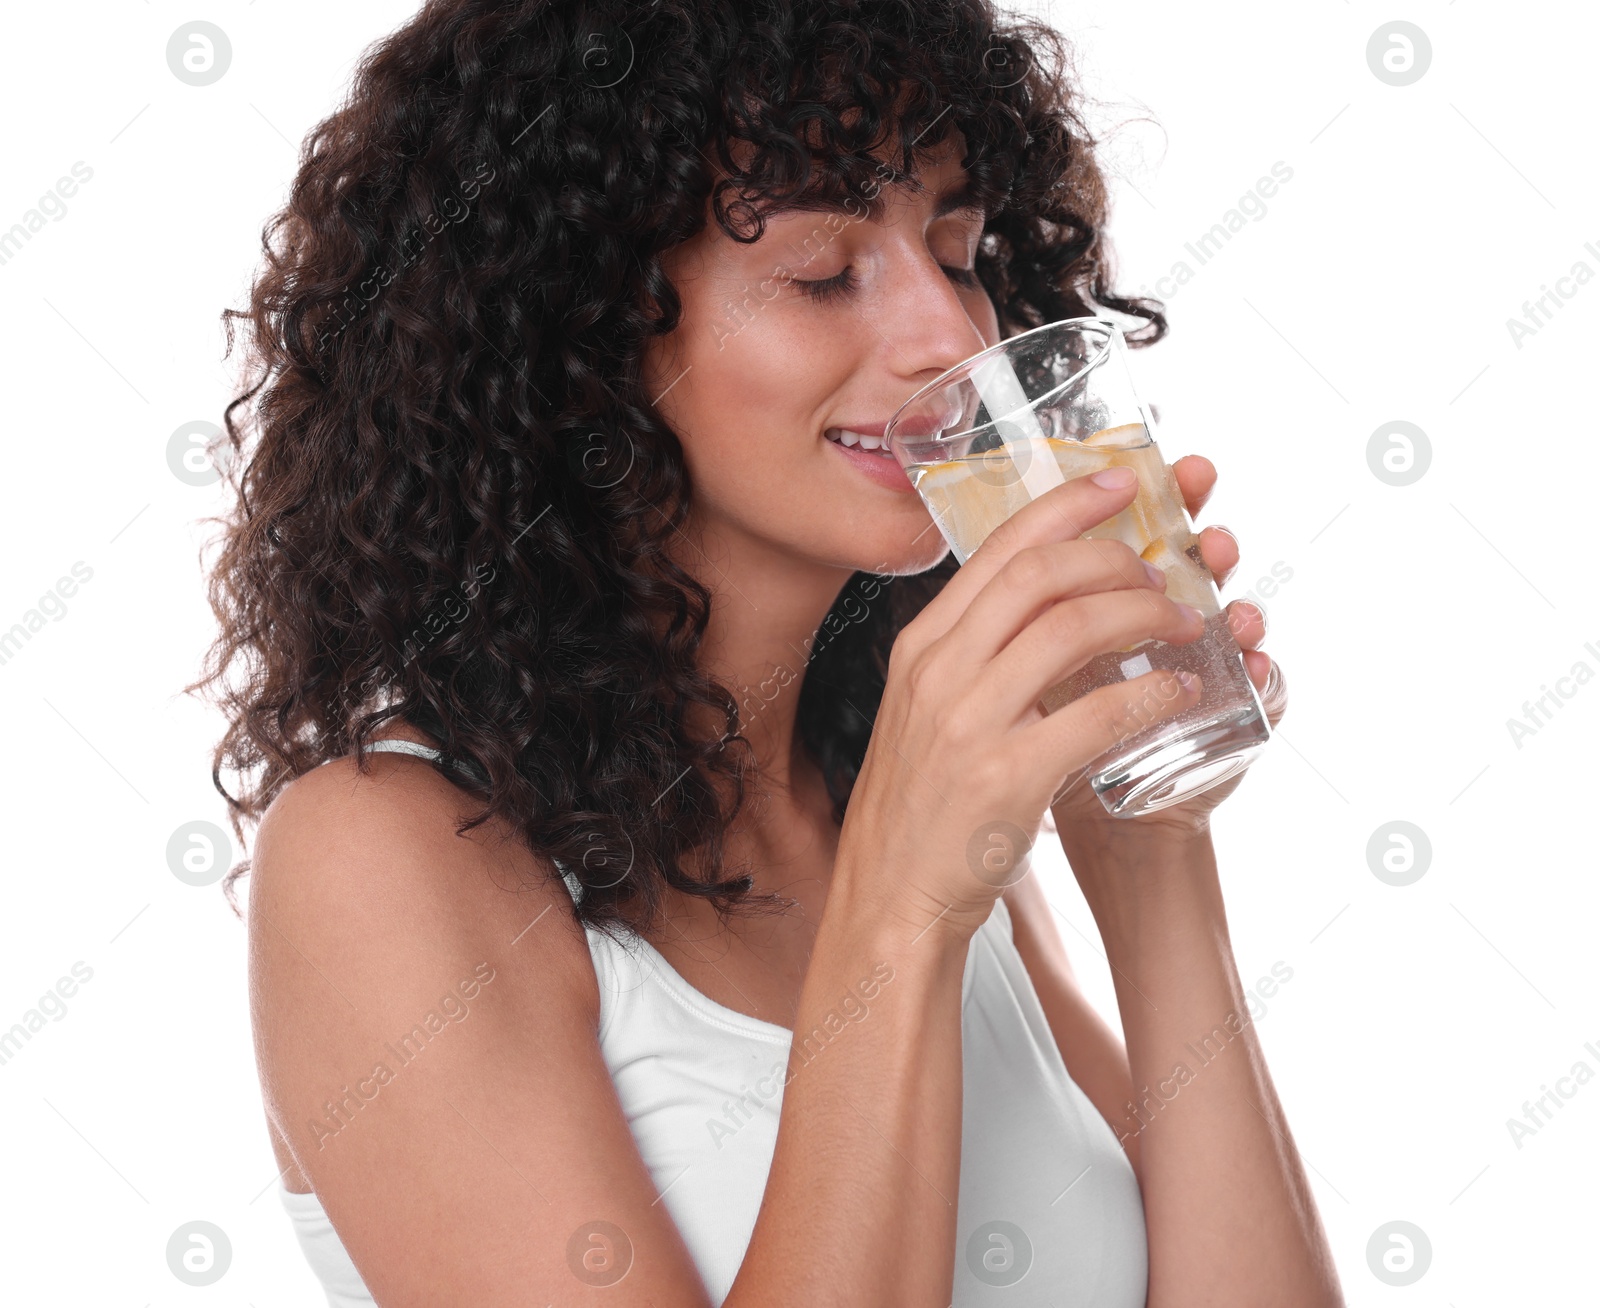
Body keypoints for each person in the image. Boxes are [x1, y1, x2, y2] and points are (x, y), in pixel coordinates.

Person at [191, 0, 1341, 1303]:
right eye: (820, 272)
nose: (951, 342)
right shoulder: (384, 857)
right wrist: (903, 908)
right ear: (583, 338)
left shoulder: (892, 794)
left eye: (957, 252)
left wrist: (1152, 853)